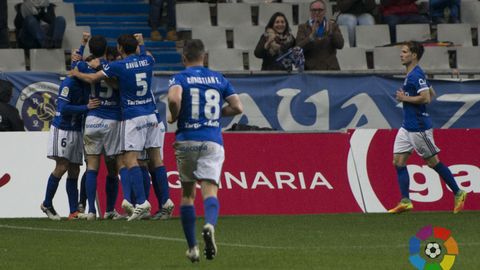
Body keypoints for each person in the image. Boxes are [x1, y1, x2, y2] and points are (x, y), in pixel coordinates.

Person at [71, 33, 173, 221]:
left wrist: (79, 70)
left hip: (133, 117)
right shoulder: (147, 60)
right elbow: (147, 55)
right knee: (156, 160)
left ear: (119, 49)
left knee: (129, 159)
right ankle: (166, 202)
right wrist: (141, 45)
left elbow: (94, 78)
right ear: (135, 47)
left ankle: (140, 203)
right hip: (152, 116)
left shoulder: (118, 65)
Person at [167, 39, 243, 262]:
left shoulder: (180, 77)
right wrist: (217, 114)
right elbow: (238, 107)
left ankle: (192, 248)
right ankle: (209, 224)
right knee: (210, 191)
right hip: (211, 140)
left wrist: (175, 114)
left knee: (188, 195)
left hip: (187, 140)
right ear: (205, 56)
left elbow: (173, 97)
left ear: (184, 58)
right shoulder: (218, 78)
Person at [388, 41, 467, 214]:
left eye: (404, 52)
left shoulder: (416, 75)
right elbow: (432, 92)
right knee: (398, 162)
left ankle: (459, 192)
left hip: (418, 127)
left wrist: (404, 98)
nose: (401, 54)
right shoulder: (415, 74)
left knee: (433, 163)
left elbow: (426, 98)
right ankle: (405, 201)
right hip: (406, 127)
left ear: (414, 55)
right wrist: (411, 94)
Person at [41, 66, 100, 220]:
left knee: (75, 170)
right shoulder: (68, 83)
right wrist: (85, 107)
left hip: (77, 130)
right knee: (62, 166)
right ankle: (47, 203)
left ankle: (73, 211)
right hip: (63, 129)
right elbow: (63, 108)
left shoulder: (86, 84)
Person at [296, 0, 344, 71]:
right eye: (314, 10)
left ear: (325, 11)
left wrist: (332, 34)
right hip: (311, 71)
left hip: (331, 70)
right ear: (310, 11)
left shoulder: (333, 26)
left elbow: (340, 45)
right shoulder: (303, 27)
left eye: (320, 10)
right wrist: (311, 37)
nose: (317, 12)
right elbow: (298, 48)